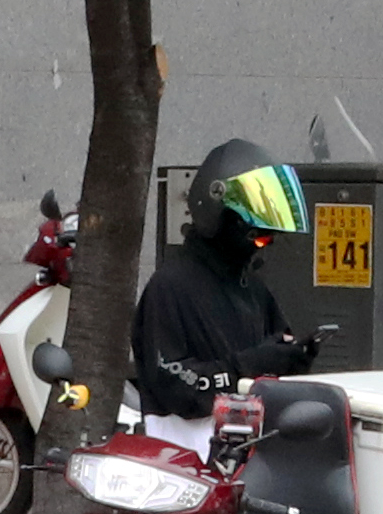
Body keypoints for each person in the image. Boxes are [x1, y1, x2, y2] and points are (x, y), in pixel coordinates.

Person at [131, 139, 316, 458]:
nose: (265, 243)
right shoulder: (170, 287)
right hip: (185, 467)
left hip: (247, 461)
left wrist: (292, 359)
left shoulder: (252, 288)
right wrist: (249, 366)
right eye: (257, 234)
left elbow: (271, 357)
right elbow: (178, 388)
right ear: (221, 214)